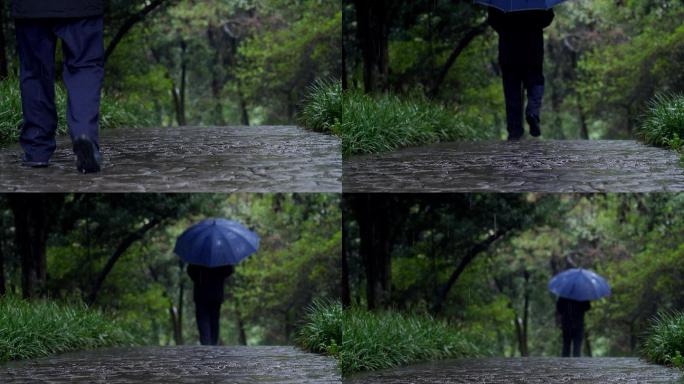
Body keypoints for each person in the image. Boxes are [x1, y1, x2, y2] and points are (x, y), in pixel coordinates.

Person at [11, 0, 105, 173]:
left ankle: (37, 150)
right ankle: (84, 135)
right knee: (85, 67)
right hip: (83, 7)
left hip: (30, 7)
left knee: (35, 72)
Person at [488, 8, 555, 141]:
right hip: (532, 46)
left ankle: (514, 130)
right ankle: (533, 112)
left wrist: (507, 29)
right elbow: (548, 17)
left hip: (508, 47)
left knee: (511, 88)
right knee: (536, 81)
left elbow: (493, 20)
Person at [187, 264, 234, 346]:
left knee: (203, 319)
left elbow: (190, 271)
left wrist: (198, 278)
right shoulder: (221, 257)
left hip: (201, 292)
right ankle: (213, 344)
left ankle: (206, 344)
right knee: (214, 319)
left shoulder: (198, 256)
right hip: (216, 293)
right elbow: (229, 271)